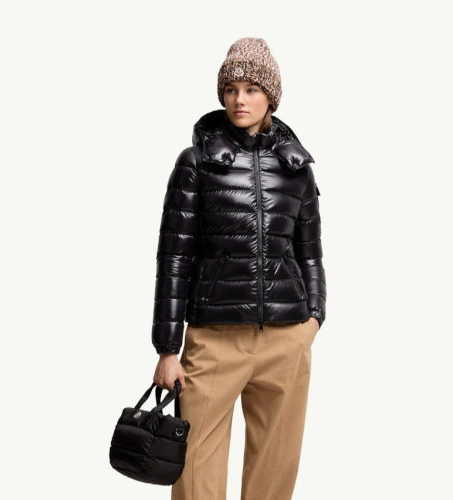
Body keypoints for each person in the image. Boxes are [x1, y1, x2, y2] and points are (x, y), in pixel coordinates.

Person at [151, 37, 327, 500]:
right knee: (194, 468)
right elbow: (174, 257)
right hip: (215, 339)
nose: (239, 100)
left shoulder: (296, 168)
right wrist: (167, 348)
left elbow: (310, 252)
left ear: (271, 96)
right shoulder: (196, 163)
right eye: (230, 89)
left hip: (286, 337)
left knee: (276, 468)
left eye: (251, 89)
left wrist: (313, 318)